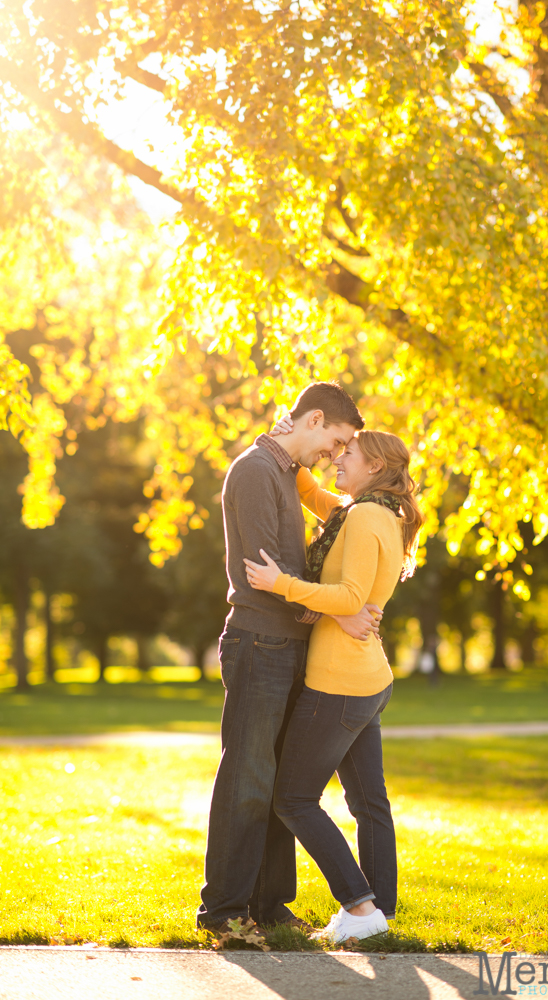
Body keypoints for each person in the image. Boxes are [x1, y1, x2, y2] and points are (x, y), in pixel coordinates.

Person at [197, 382, 383, 934]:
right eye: (339, 439)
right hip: (259, 643)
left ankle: (269, 906)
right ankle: (225, 912)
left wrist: (325, 613)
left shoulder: (279, 470)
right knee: (247, 777)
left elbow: (293, 566)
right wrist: (335, 613)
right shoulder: (255, 471)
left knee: (276, 784)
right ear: (315, 420)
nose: (337, 452)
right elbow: (267, 571)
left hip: (287, 644)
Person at [245, 427, 424, 943]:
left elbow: (349, 598)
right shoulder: (367, 511)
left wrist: (280, 583)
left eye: (349, 453)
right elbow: (309, 490)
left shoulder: (366, 516)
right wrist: (279, 439)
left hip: (340, 682)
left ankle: (360, 905)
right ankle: (378, 918)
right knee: (370, 804)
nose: (338, 458)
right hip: (366, 678)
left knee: (293, 798)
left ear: (375, 467)